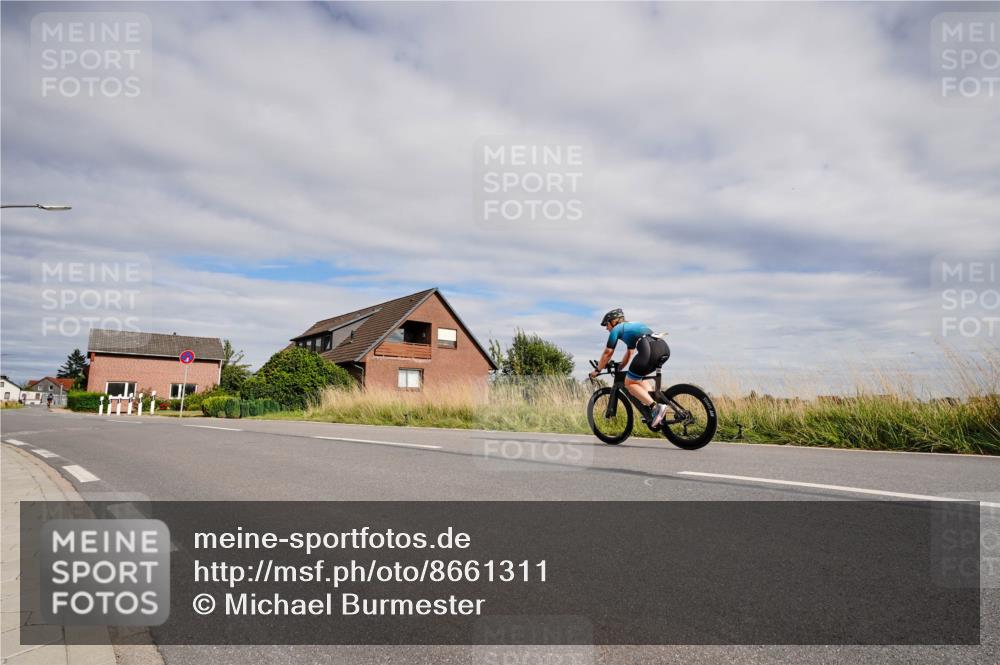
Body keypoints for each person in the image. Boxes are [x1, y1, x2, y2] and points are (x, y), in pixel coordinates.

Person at [588, 308, 670, 427]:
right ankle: (653, 407)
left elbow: (608, 352)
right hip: (663, 348)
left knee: (629, 383)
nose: (607, 328)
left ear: (614, 321)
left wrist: (597, 370)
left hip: (648, 348)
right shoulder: (633, 326)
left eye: (607, 324)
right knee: (638, 379)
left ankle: (656, 407)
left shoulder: (617, 329)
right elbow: (630, 352)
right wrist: (620, 367)